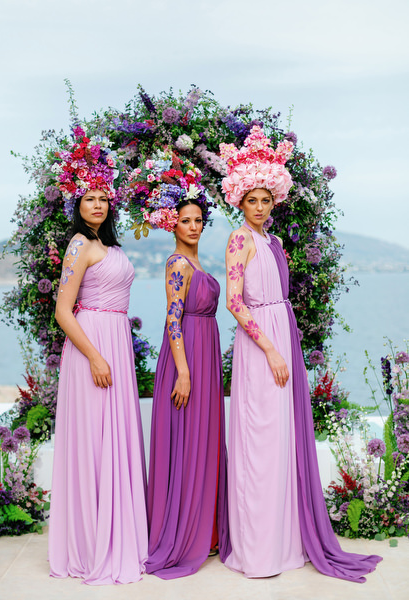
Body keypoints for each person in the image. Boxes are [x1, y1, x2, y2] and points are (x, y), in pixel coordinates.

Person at [219, 126, 381, 582]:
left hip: (280, 335)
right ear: (239, 202)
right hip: (259, 347)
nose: (259, 206)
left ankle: (284, 541)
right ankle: (257, 551)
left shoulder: (274, 242)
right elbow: (234, 302)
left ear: (273, 202)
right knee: (259, 441)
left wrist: (283, 342)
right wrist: (270, 349)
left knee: (281, 443)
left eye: (265, 199)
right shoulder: (238, 239)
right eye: (251, 199)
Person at [48, 127, 148, 585]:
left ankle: (122, 533)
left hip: (116, 345)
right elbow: (62, 312)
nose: (98, 204)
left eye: (104, 197)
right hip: (91, 348)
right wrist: (94, 356)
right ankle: (91, 544)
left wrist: (113, 353)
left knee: (118, 440)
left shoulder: (111, 247)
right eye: (89, 197)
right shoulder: (78, 245)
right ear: (77, 205)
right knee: (92, 444)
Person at [124, 151, 230, 579]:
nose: (193, 226)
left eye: (198, 220)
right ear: (173, 224)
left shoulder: (200, 262)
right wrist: (184, 371)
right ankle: (184, 533)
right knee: (186, 440)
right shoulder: (176, 264)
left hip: (205, 353)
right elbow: (171, 320)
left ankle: (206, 532)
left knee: (205, 438)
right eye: (186, 220)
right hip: (187, 358)